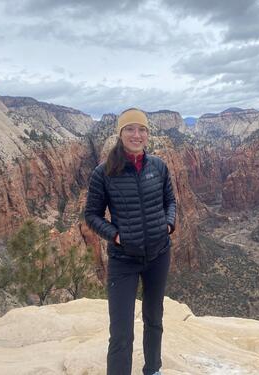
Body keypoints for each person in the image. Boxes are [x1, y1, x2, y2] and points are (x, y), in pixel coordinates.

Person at [84, 108, 176, 375]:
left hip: (158, 254)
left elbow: (170, 200)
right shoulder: (104, 173)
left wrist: (168, 224)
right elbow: (91, 214)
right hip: (123, 260)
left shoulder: (158, 166)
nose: (137, 135)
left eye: (142, 129)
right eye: (130, 129)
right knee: (121, 332)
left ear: (148, 134)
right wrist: (116, 235)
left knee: (154, 319)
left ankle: (153, 370)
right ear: (120, 133)